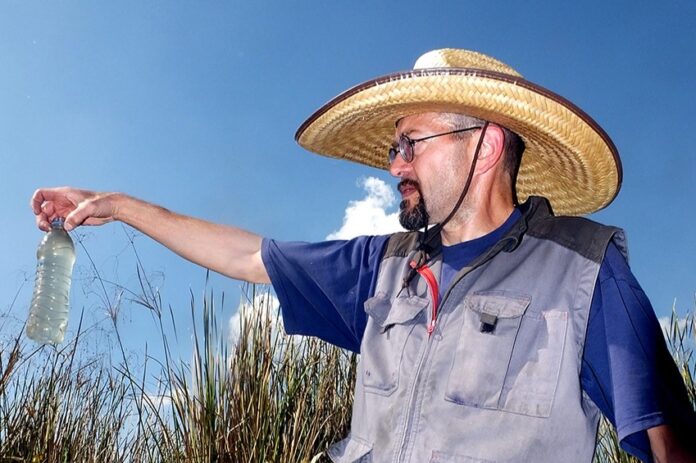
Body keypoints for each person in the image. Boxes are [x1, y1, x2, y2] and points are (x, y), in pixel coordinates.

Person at [32, 49, 695, 462]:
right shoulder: (382, 268)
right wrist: (119, 205)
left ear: (487, 145)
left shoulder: (586, 270)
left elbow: (672, 445)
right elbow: (246, 257)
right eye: (393, 148)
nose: (394, 164)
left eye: (412, 143)